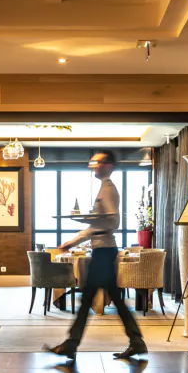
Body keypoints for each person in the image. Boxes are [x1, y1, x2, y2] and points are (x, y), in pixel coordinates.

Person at [47, 151, 148, 360]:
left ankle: (71, 344)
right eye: (93, 162)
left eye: (98, 162)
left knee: (87, 299)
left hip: (104, 252)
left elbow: (110, 221)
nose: (93, 165)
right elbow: (98, 223)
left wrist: (79, 232)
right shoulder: (104, 188)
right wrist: (80, 231)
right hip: (103, 250)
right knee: (112, 301)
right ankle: (135, 341)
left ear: (109, 165)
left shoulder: (109, 189)